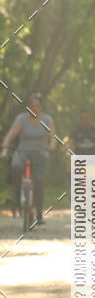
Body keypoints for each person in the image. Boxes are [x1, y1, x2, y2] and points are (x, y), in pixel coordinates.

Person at [1, 92, 56, 225]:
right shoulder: (21, 119)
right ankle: (17, 193)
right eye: (31, 106)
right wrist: (5, 147)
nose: (34, 108)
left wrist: (52, 145)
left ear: (41, 107)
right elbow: (12, 134)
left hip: (40, 153)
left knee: (39, 181)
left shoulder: (47, 120)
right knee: (15, 166)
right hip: (22, 151)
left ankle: (39, 214)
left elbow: (52, 137)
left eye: (37, 106)